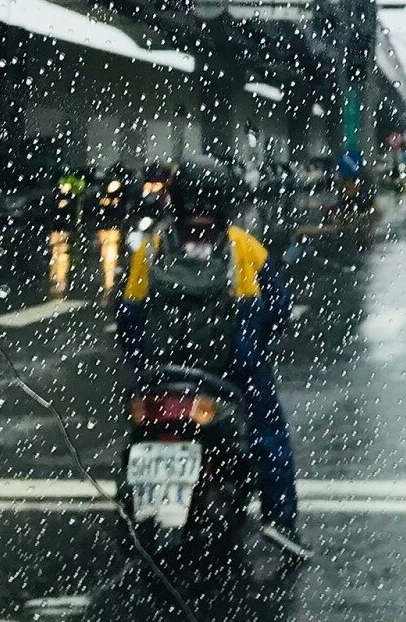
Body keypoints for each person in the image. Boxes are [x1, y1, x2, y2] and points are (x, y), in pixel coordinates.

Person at [117, 155, 312, 559]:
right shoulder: (245, 247)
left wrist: (143, 361)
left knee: (135, 428)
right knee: (269, 437)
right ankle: (281, 522)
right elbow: (276, 313)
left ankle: (132, 504)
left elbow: (129, 317)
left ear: (176, 198)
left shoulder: (151, 246)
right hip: (229, 372)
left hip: (160, 372)